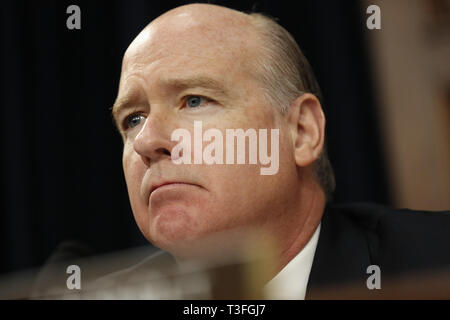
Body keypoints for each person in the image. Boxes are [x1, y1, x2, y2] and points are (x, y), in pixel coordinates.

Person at [107, 3, 450, 299]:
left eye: (194, 100)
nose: (146, 141)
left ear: (301, 132)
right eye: (133, 119)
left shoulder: (436, 264)